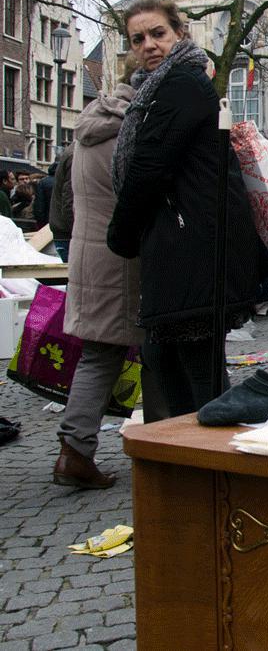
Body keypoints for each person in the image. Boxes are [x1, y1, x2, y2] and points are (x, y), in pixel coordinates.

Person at [107, 0, 260, 419]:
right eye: (137, 39)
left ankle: (214, 474)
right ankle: (198, 469)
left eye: (158, 33)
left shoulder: (180, 84)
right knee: (175, 366)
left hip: (192, 247)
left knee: (194, 375)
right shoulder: (157, 90)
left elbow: (150, 164)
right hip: (183, 244)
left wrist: (120, 235)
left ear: (179, 33)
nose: (148, 45)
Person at [54, 55, 151, 488]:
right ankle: (76, 451)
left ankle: (75, 449)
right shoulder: (129, 130)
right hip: (119, 256)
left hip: (87, 251)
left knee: (98, 353)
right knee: (107, 356)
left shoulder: (91, 128)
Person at [49, 144, 74, 261]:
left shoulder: (73, 152)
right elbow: (69, 201)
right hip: (67, 233)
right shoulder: (75, 155)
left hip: (64, 231)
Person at [33, 162, 55, 227]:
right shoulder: (64, 181)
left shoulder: (43, 182)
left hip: (46, 220)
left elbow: (39, 204)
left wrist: (40, 222)